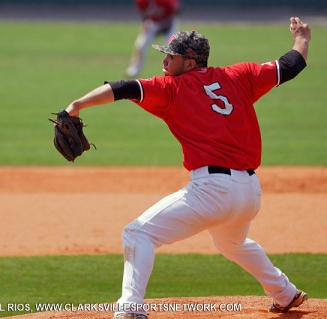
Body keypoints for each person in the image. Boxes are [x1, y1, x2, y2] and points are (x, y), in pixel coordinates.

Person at [65, 17, 311, 319]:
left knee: (137, 234)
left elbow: (123, 87)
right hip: (249, 194)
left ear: (191, 63)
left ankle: (130, 309)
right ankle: (285, 293)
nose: (165, 61)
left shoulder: (171, 89)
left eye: (172, 57)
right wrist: (302, 37)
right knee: (232, 242)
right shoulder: (240, 76)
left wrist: (75, 106)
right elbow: (291, 65)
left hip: (212, 191)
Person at [125, 0, 181, 78]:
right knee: (140, 44)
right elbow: (144, 15)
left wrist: (166, 26)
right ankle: (134, 69)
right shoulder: (141, 1)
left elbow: (177, 11)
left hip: (169, 23)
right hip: (152, 23)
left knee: (174, 48)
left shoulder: (166, 1)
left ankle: (177, 72)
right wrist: (145, 25)